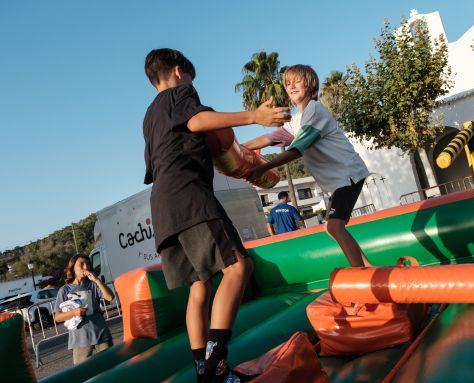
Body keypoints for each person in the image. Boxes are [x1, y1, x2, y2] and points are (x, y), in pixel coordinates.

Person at [142, 48, 290, 383]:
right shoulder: (180, 92)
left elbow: (196, 149)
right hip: (189, 197)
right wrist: (253, 115)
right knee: (239, 267)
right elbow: (197, 120)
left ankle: (203, 371)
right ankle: (215, 365)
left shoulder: (150, 118)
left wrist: (249, 148)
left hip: (163, 207)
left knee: (200, 287)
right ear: (179, 71)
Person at [249, 64, 372, 268]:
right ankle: (368, 269)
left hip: (348, 174)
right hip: (337, 182)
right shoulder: (297, 120)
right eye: (288, 83)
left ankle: (362, 275)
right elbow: (268, 139)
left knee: (335, 226)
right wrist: (236, 148)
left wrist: (262, 168)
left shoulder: (315, 110)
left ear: (310, 84)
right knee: (331, 228)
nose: (291, 86)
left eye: (297, 81)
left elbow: (297, 150)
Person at [53, 254, 115, 365]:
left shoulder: (93, 284)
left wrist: (96, 280)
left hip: (101, 334)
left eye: (88, 264)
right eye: (81, 264)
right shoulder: (64, 290)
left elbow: (110, 297)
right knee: (83, 375)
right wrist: (74, 312)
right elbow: (57, 317)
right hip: (79, 340)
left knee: (111, 368)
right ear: (72, 268)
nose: (85, 267)